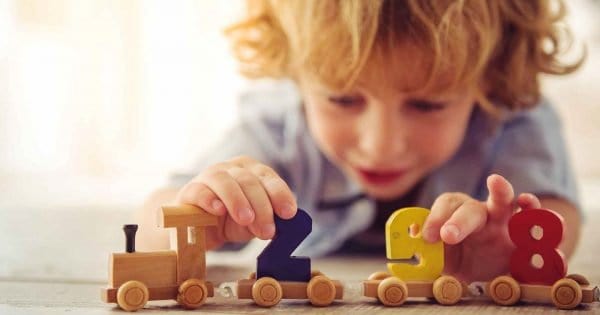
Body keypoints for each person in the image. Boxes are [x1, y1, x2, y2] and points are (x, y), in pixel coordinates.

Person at [135, 0, 585, 282]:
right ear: (296, 75)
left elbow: (555, 214)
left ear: (490, 81)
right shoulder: (278, 125)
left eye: (427, 105)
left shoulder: (511, 117)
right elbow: (154, 221)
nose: (381, 145)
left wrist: (509, 246)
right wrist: (202, 212)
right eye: (343, 99)